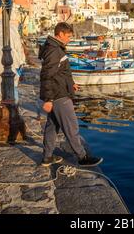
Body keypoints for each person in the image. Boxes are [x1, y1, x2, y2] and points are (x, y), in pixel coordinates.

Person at [39, 22, 103, 167]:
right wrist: (48, 99)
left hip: (59, 91)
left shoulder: (54, 48)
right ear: (60, 34)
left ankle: (47, 157)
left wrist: (71, 84)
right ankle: (82, 157)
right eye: (68, 36)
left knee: (52, 127)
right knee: (71, 127)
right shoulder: (54, 50)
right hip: (59, 95)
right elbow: (47, 75)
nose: (69, 39)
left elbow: (60, 72)